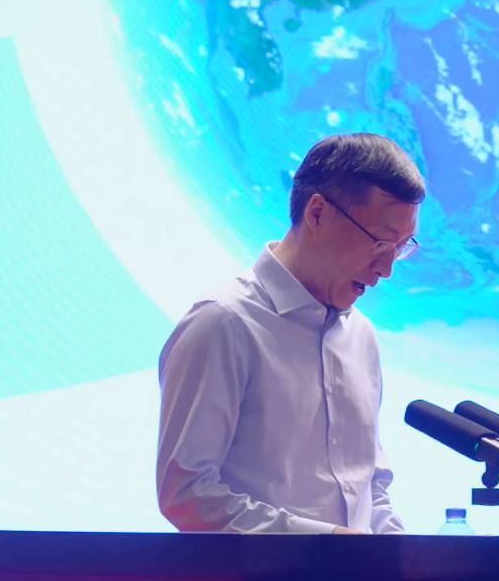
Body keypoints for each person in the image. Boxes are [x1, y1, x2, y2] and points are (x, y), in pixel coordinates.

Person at [156, 132, 425, 534]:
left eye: (401, 247)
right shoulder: (223, 322)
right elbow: (187, 494)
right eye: (381, 243)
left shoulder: (361, 335)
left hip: (358, 577)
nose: (386, 269)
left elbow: (369, 487)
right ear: (317, 213)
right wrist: (326, 543)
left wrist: (401, 556)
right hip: (260, 578)